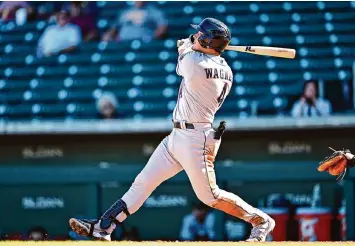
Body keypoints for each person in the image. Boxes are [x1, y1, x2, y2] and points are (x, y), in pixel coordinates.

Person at [69, 18, 275, 242]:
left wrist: (187, 44)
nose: (194, 35)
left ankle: (261, 220)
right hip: (179, 136)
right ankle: (103, 227)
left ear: (207, 41)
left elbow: (185, 56)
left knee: (210, 196)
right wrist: (195, 45)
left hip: (196, 139)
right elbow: (195, 53)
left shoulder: (195, 63)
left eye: (199, 35)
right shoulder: (225, 69)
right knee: (144, 181)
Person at [102, 1, 168, 42]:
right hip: (123, 42)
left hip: (144, 43)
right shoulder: (125, 12)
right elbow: (115, 27)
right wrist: (108, 35)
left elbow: (163, 26)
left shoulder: (154, 11)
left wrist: (152, 38)